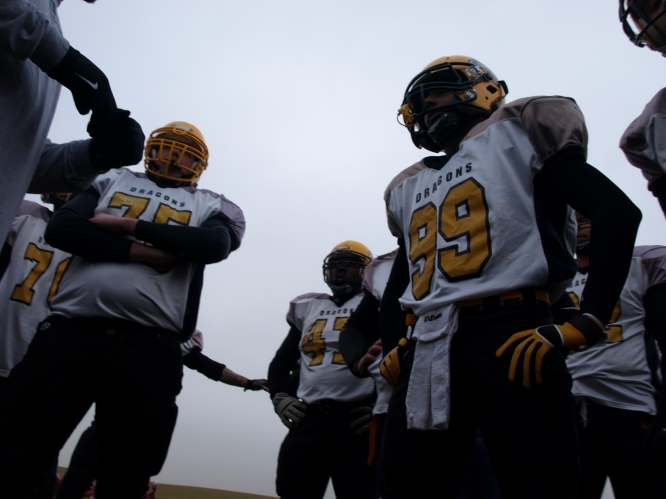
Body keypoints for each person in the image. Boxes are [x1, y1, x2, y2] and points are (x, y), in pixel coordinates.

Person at [378, 55, 641, 499]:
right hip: (428, 344)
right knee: (404, 486)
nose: (427, 110)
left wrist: (591, 317)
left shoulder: (518, 127)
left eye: (436, 94)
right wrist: (395, 343)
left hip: (511, 329)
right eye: (419, 107)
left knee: (540, 482)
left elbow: (616, 209)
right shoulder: (405, 185)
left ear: (480, 89)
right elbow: (397, 287)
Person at [0, 121, 246, 498]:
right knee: (19, 452)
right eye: (166, 148)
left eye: (183, 152)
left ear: (198, 164)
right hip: (71, 331)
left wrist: (124, 224)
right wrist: (143, 251)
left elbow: (212, 245)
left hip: (149, 346)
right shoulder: (113, 178)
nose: (173, 156)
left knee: (127, 472)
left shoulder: (214, 203)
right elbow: (63, 228)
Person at [339, 249, 502, 499]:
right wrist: (359, 362)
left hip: (474, 398)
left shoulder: (477, 228)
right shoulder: (383, 267)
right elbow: (355, 328)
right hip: (396, 405)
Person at [56, 329, 268, 499]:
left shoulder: (173, 335)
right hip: (116, 412)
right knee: (87, 463)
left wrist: (249, 383)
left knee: (130, 476)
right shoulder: (123, 325)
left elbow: (208, 367)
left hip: (151, 418)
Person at [0, 0, 144, 247]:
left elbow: (16, 161)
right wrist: (63, 58)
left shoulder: (51, 29)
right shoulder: (47, 39)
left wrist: (94, 156)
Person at [559, 213, 666, 499]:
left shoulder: (639, 264)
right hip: (568, 408)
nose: (581, 226)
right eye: (576, 219)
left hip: (630, 407)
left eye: (588, 218)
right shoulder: (553, 277)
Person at [267, 241, 377, 499]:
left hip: (358, 422)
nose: (339, 272)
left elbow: (400, 358)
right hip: (310, 419)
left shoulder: (377, 304)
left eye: (348, 266)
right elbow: (281, 362)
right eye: (335, 266)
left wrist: (383, 407)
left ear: (365, 271)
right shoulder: (308, 307)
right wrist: (280, 396)